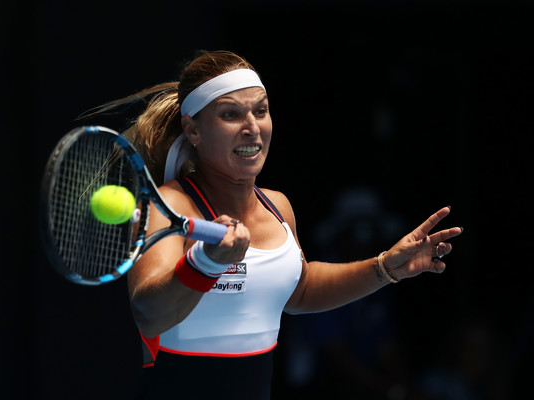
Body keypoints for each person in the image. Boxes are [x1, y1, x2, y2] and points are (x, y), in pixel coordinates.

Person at [84, 50, 463, 399]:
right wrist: (206, 263)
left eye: (260, 111)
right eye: (231, 114)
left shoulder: (278, 205)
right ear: (194, 130)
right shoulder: (171, 204)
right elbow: (149, 314)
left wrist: (384, 268)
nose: (252, 127)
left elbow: (299, 292)